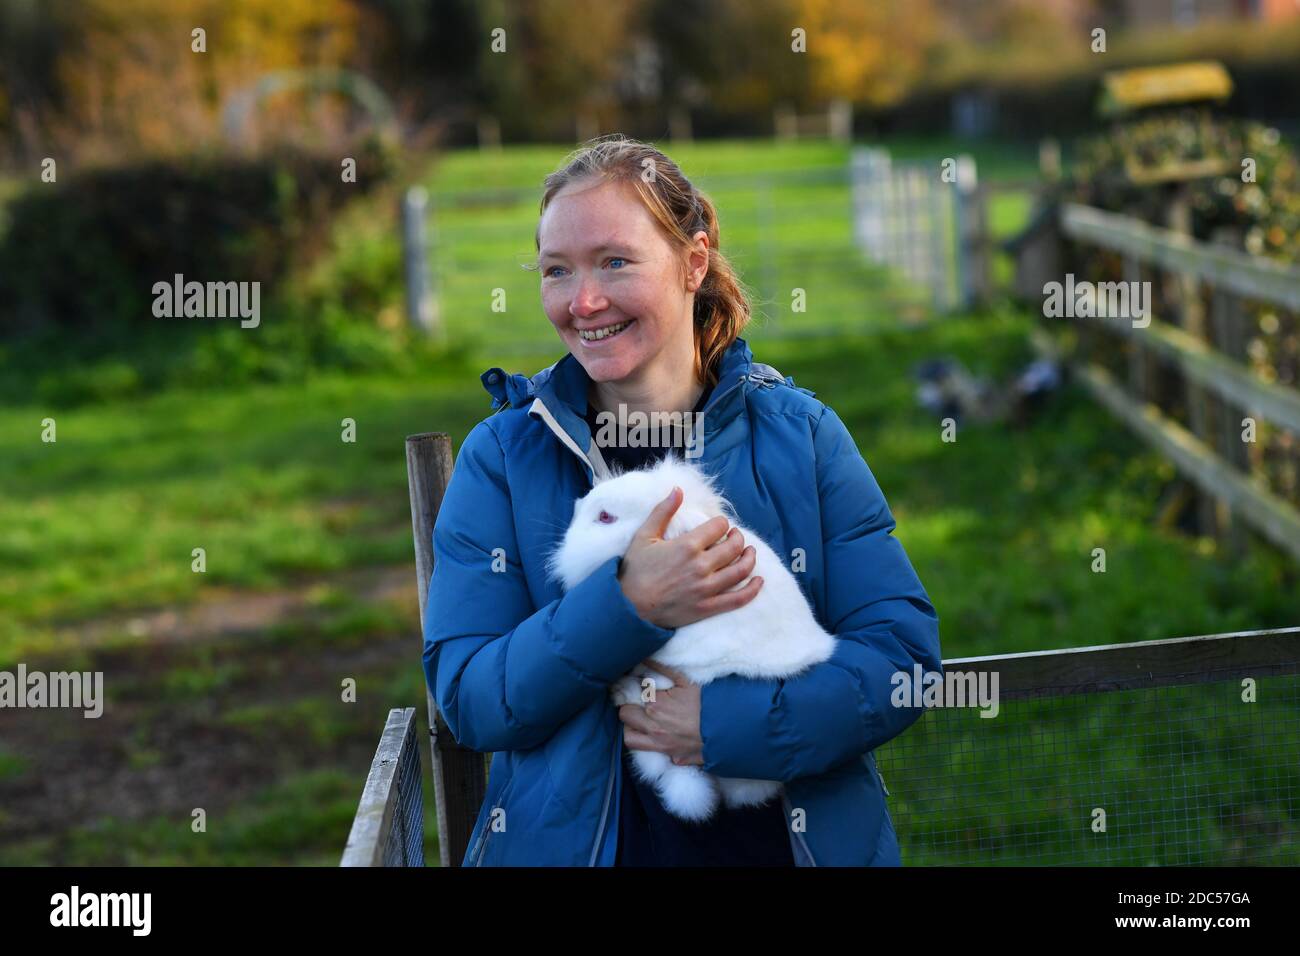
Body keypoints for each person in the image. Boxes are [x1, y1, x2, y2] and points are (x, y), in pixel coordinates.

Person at [422, 134, 941, 866]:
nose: (584, 300)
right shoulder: (504, 457)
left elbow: (902, 659)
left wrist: (719, 727)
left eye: (615, 262)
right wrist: (629, 606)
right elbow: (470, 695)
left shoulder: (801, 436)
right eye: (556, 271)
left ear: (693, 262)